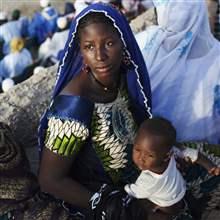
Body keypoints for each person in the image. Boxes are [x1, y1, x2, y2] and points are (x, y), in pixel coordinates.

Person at [38, 2, 152, 219]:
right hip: (100, 196)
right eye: (89, 46)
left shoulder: (122, 75)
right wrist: (111, 206)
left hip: (139, 174)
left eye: (109, 43)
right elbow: (49, 180)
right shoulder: (73, 106)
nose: (100, 56)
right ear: (80, 51)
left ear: (123, 42)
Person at [136, 0, 220, 144]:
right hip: (153, 152)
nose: (175, 16)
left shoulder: (146, 43)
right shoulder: (145, 42)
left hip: (161, 152)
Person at [125, 117, 220, 219]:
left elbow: (135, 192)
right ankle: (194, 208)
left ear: (166, 156)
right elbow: (194, 154)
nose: (141, 158)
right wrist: (210, 166)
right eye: (137, 149)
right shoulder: (173, 152)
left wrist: (125, 188)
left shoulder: (150, 179)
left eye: (150, 156)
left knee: (143, 209)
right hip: (179, 192)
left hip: (165, 207)